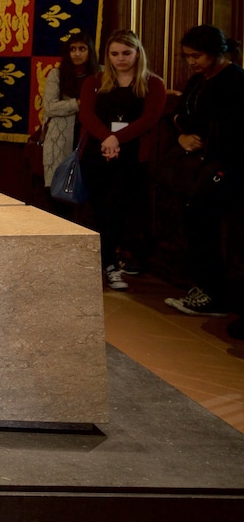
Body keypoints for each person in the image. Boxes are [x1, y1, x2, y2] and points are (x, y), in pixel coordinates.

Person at [162, 25, 244, 328]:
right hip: (196, 162)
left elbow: (225, 127)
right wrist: (183, 134)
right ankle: (204, 289)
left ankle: (215, 295)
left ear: (215, 52)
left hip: (227, 166)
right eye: (186, 57)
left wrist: (193, 127)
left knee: (206, 223)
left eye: (196, 56)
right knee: (193, 221)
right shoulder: (198, 80)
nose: (191, 62)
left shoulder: (236, 80)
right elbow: (181, 116)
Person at [79, 29, 166, 290]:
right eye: (114, 54)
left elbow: (149, 119)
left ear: (137, 53)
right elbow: (86, 114)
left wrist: (117, 139)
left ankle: (112, 264)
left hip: (131, 157)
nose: (120, 59)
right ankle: (100, 263)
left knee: (118, 212)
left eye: (126, 53)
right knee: (97, 212)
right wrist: (107, 138)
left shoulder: (152, 83)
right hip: (97, 153)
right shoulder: (95, 80)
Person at [42, 34, 100, 190]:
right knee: (60, 189)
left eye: (82, 49)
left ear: (90, 51)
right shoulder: (57, 74)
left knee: (91, 187)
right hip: (61, 137)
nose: (77, 54)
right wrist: (79, 103)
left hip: (91, 135)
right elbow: (50, 107)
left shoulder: (101, 74)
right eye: (72, 49)